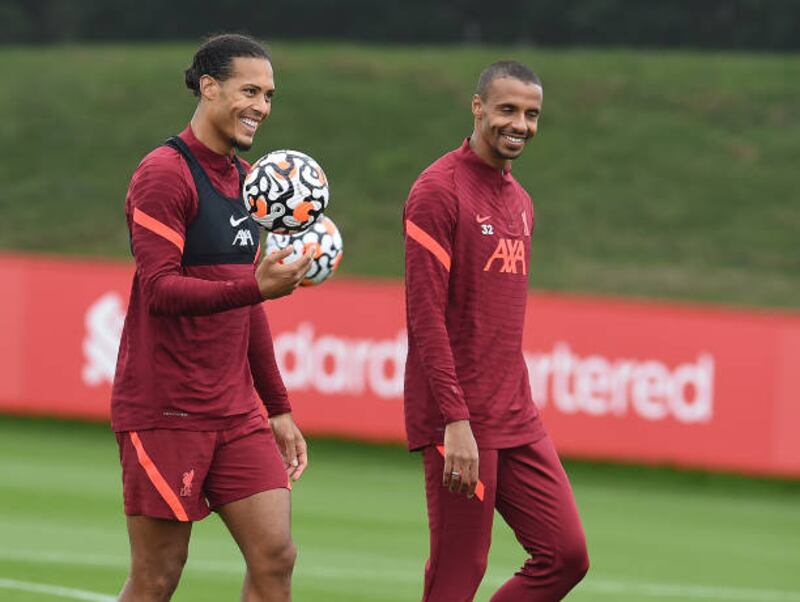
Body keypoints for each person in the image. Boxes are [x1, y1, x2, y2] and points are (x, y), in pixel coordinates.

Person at [111, 33, 314, 602]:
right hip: (167, 409)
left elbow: (249, 305)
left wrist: (276, 406)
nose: (262, 107)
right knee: (157, 576)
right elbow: (160, 290)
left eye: (269, 95)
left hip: (235, 410)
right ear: (209, 87)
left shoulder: (252, 184)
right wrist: (255, 285)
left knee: (276, 555)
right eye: (249, 90)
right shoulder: (163, 173)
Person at [403, 60, 590, 601]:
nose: (521, 124)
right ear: (478, 106)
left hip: (516, 412)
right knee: (460, 571)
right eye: (508, 109)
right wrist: (454, 421)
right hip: (460, 418)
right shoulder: (438, 190)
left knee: (565, 555)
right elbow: (425, 317)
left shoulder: (521, 202)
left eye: (532, 114)